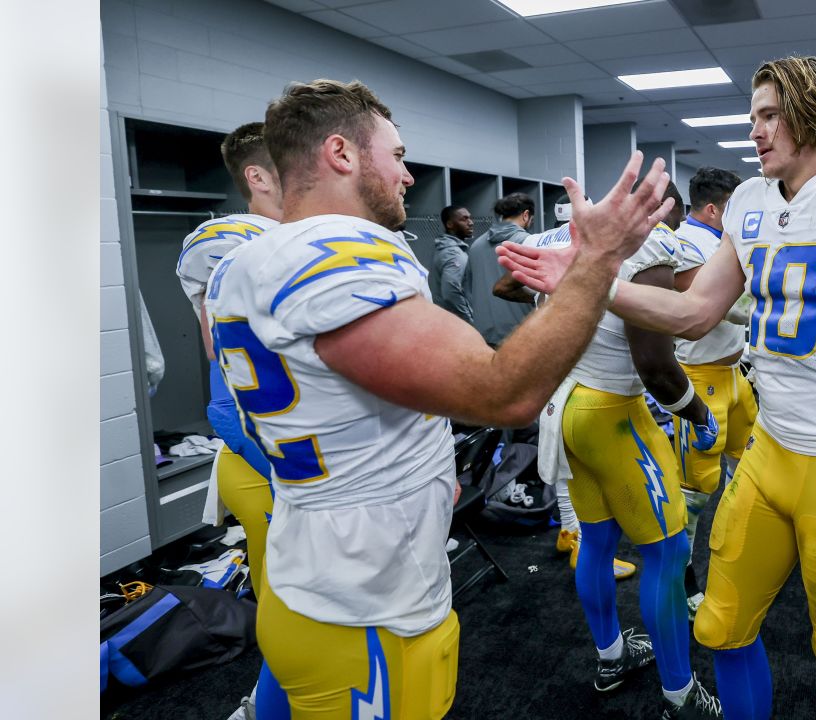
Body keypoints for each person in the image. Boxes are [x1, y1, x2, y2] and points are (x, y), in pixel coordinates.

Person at [498, 56, 816, 720]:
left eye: (769, 115)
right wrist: (591, 281)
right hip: (768, 453)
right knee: (720, 626)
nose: (755, 131)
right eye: (753, 117)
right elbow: (693, 314)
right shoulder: (748, 201)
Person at [205, 78, 677, 720]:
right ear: (341, 154)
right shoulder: (334, 254)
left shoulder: (245, 260)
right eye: (396, 156)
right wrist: (597, 262)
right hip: (366, 608)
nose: (406, 176)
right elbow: (503, 390)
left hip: (310, 570)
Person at [520, 181, 724, 718]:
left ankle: (610, 656)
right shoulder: (653, 241)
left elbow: (512, 285)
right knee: (667, 551)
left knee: (597, 539)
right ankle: (680, 695)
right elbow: (655, 366)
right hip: (612, 411)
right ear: (666, 211)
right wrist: (698, 414)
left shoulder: (569, 233)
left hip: (567, 405)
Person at [174, 120, 288, 720]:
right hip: (259, 447)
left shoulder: (292, 235)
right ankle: (261, 708)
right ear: (259, 176)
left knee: (310, 597)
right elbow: (228, 382)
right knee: (291, 599)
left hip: (284, 443)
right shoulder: (229, 238)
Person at [495, 192, 639, 582]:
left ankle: (567, 531)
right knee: (587, 462)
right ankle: (581, 539)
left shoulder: (538, 239)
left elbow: (502, 288)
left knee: (558, 449)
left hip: (551, 358)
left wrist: (546, 296)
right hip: (586, 363)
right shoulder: (589, 242)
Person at [669, 166, 757, 620]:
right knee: (697, 492)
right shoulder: (686, 244)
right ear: (713, 209)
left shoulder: (721, 242)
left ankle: (741, 558)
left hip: (733, 374)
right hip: (698, 376)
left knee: (750, 473)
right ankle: (684, 580)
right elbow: (723, 307)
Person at [464, 193, 535, 346]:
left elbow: (467, 289)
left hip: (484, 337)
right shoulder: (527, 243)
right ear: (526, 215)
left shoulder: (476, 245)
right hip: (521, 337)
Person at [430, 204, 473, 322]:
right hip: (455, 321)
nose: (470, 222)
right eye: (464, 219)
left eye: (469, 218)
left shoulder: (445, 248)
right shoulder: (453, 253)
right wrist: (470, 320)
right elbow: (451, 292)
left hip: (446, 318)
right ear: (450, 224)